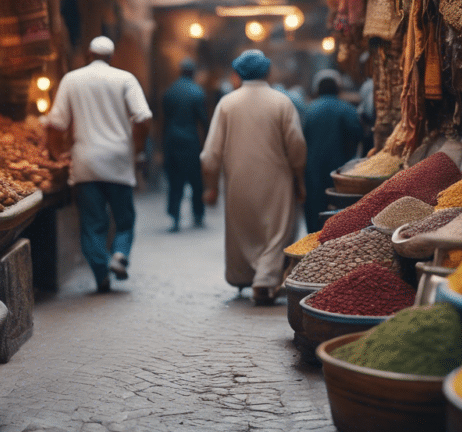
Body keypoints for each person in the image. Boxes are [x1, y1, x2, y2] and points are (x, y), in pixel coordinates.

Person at [44, 36, 152, 292]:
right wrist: (137, 149)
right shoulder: (125, 79)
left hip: (86, 162)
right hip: (119, 161)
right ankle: (119, 255)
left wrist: (56, 154)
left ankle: (101, 272)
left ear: (88, 55)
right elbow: (143, 118)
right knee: (124, 219)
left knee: (93, 223)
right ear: (111, 57)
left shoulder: (72, 79)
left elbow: (55, 124)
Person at [200, 49, 307, 306]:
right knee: (275, 231)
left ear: (237, 74)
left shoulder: (227, 103)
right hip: (277, 181)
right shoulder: (282, 102)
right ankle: (265, 280)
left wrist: (211, 186)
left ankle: (245, 276)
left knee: (244, 231)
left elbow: (210, 155)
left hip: (238, 181)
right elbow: (297, 146)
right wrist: (299, 178)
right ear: (268, 71)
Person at [302, 69, 363, 234]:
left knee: (315, 214)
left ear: (317, 89)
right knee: (339, 216)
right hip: (341, 174)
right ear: (338, 88)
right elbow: (358, 136)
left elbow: (300, 141)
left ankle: (312, 249)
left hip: (313, 172)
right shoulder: (348, 110)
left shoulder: (308, 111)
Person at [162, 58, 210, 232]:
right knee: (195, 180)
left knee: (175, 181)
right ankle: (198, 214)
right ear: (193, 72)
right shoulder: (197, 92)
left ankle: (174, 215)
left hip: (172, 141)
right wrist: (207, 144)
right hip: (191, 142)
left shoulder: (170, 91)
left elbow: (164, 120)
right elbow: (203, 121)